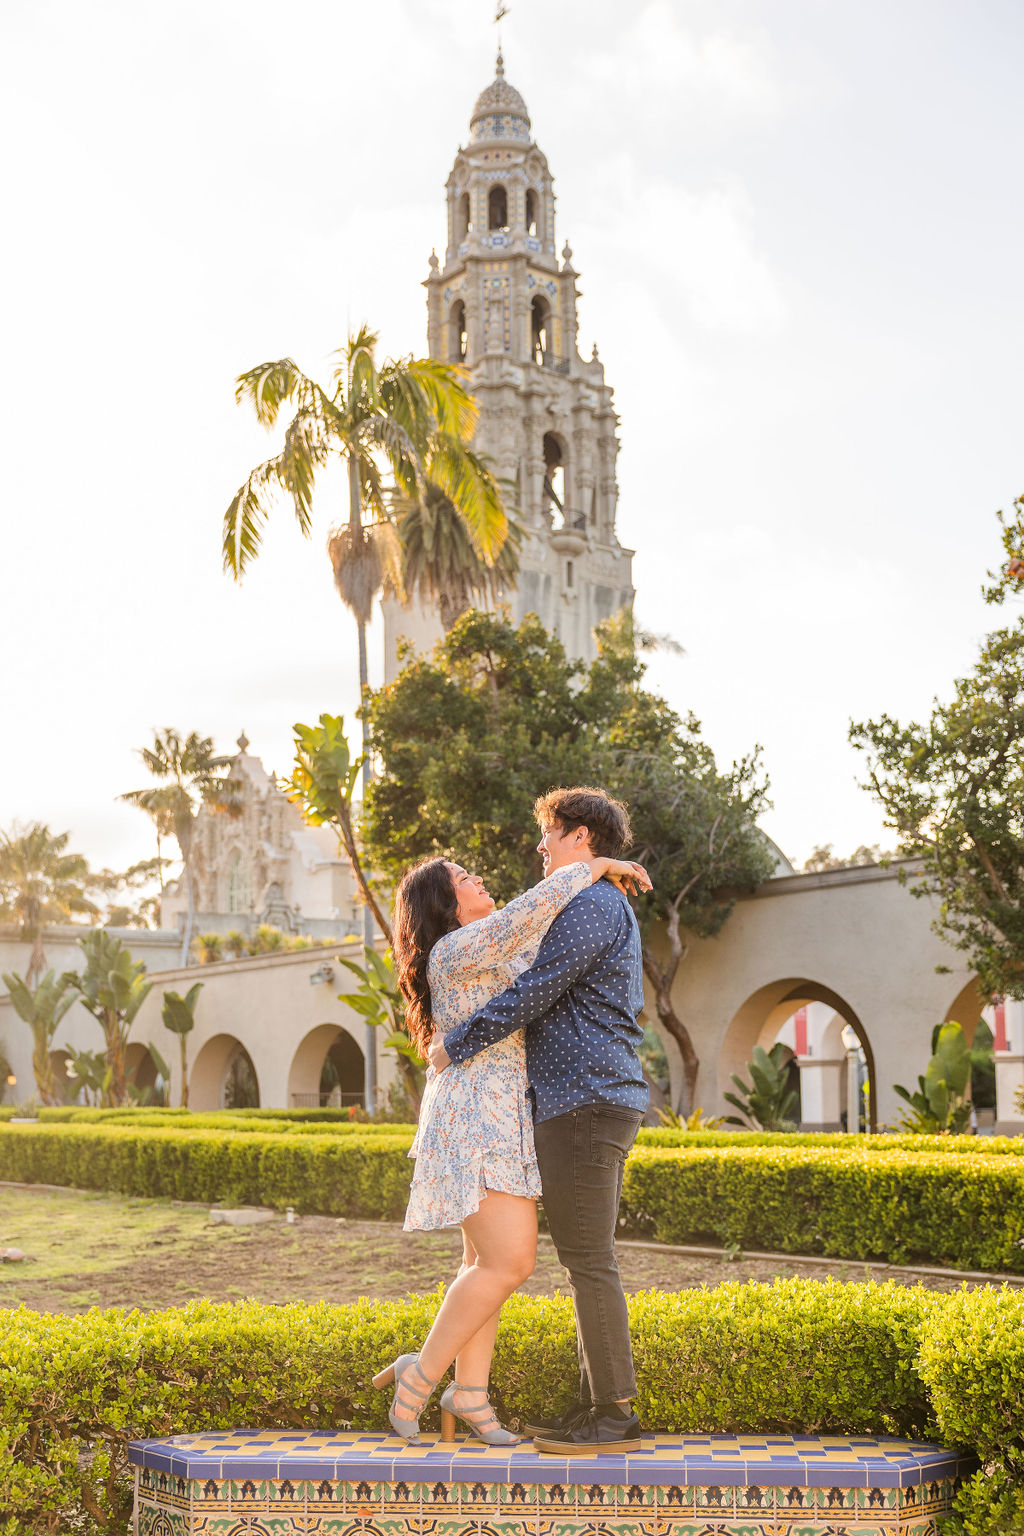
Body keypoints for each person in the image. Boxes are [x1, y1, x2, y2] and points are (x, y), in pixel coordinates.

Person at [371, 839, 651, 1446]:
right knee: (510, 1261)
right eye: (464, 878)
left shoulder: (484, 948)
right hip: (478, 1115)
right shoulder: (457, 948)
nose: (479, 880)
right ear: (445, 905)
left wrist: (596, 887)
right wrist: (595, 866)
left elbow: (550, 948)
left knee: (482, 1265)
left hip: (499, 1114)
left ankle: (470, 1393)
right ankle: (418, 1377)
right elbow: (534, 911)